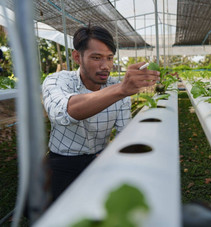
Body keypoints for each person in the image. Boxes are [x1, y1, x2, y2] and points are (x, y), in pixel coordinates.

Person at [42, 24, 160, 202]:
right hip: (63, 163)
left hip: (101, 158)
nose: (105, 66)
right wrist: (121, 89)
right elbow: (64, 113)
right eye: (96, 57)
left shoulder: (119, 89)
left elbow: (124, 132)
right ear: (77, 57)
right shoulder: (57, 80)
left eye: (110, 58)